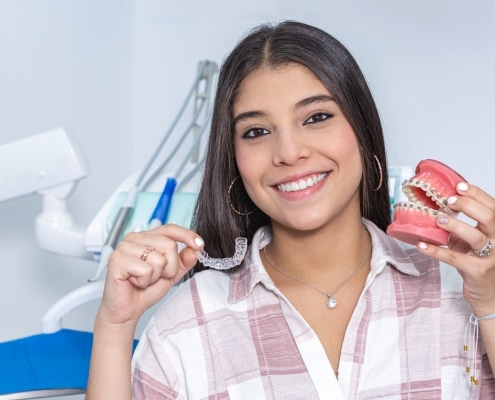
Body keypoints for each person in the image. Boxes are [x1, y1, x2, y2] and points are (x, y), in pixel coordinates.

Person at [86, 20, 495, 399]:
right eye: (257, 131)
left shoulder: (459, 292)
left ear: (364, 133)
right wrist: (115, 327)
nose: (289, 152)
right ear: (234, 160)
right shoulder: (188, 321)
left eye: (316, 117)